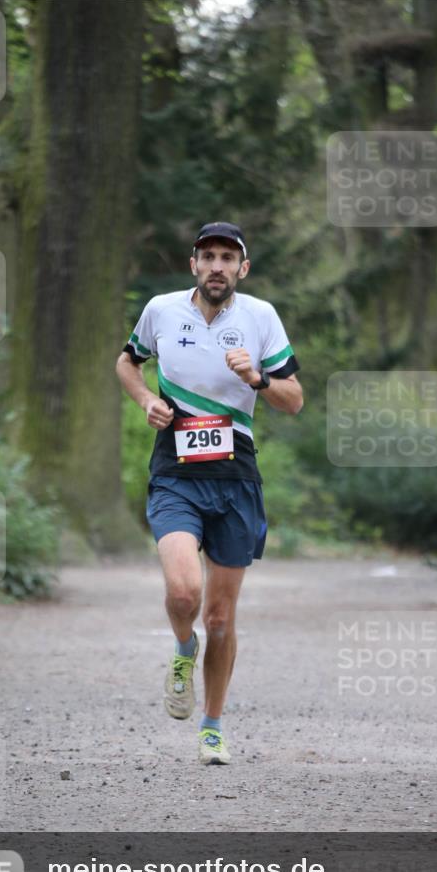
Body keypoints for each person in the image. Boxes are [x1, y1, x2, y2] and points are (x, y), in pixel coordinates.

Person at [115, 222, 303, 765]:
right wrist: (146, 400)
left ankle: (213, 726)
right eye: (208, 256)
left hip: (236, 478)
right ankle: (183, 649)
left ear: (243, 268)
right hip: (175, 473)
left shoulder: (261, 318)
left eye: (227, 257)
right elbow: (127, 362)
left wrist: (257, 379)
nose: (217, 266)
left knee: (220, 618)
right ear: (193, 264)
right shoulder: (161, 310)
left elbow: (294, 399)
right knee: (183, 593)